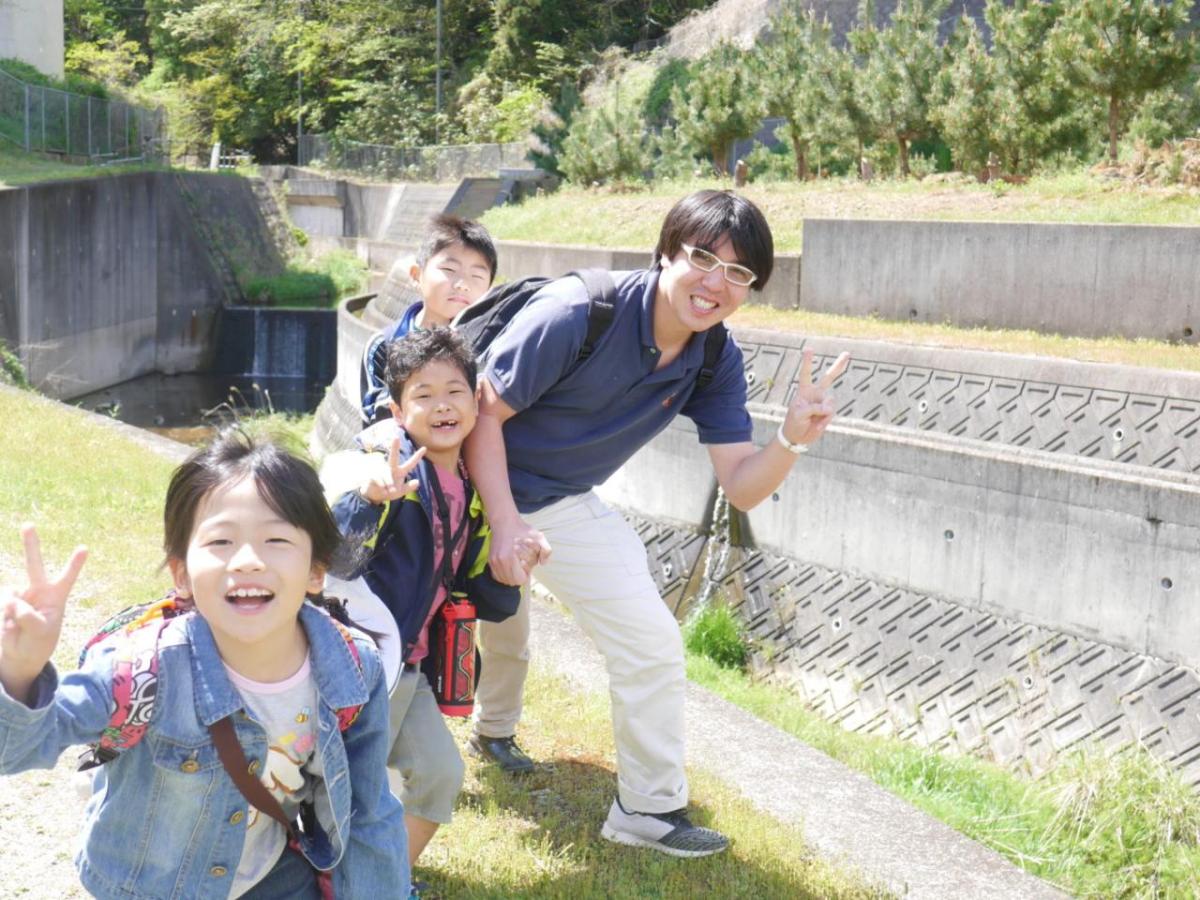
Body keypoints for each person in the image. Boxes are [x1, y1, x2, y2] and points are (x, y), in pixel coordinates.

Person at [463, 189, 850, 857]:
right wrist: (502, 524)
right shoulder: (578, 312)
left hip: (557, 500)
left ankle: (647, 811)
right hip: (462, 483)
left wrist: (791, 440)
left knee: (648, 641)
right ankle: (441, 743)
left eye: (738, 274)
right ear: (666, 252)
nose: (715, 284)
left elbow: (742, 488)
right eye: (703, 258)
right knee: (471, 628)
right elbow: (481, 415)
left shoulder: (713, 358)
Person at [0, 432, 408, 899]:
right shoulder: (141, 669)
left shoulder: (354, 668)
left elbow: (369, 813)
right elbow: (14, 751)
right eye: (221, 540)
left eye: (276, 538)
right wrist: (19, 673)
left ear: (317, 570)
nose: (249, 560)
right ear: (182, 575)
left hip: (272, 878)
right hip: (149, 887)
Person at [328, 327, 521, 872]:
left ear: (475, 399)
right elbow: (335, 558)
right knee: (337, 787)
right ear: (396, 408)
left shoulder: (473, 486)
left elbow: (487, 596)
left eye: (455, 392)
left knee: (439, 775)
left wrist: (511, 567)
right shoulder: (379, 465)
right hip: (362, 664)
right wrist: (369, 499)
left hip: (411, 668)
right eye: (423, 394)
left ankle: (386, 879)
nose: (442, 406)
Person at [360, 214, 498, 425]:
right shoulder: (384, 345)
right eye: (449, 270)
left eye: (477, 276)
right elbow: (373, 421)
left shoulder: (494, 343)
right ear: (417, 275)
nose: (462, 284)